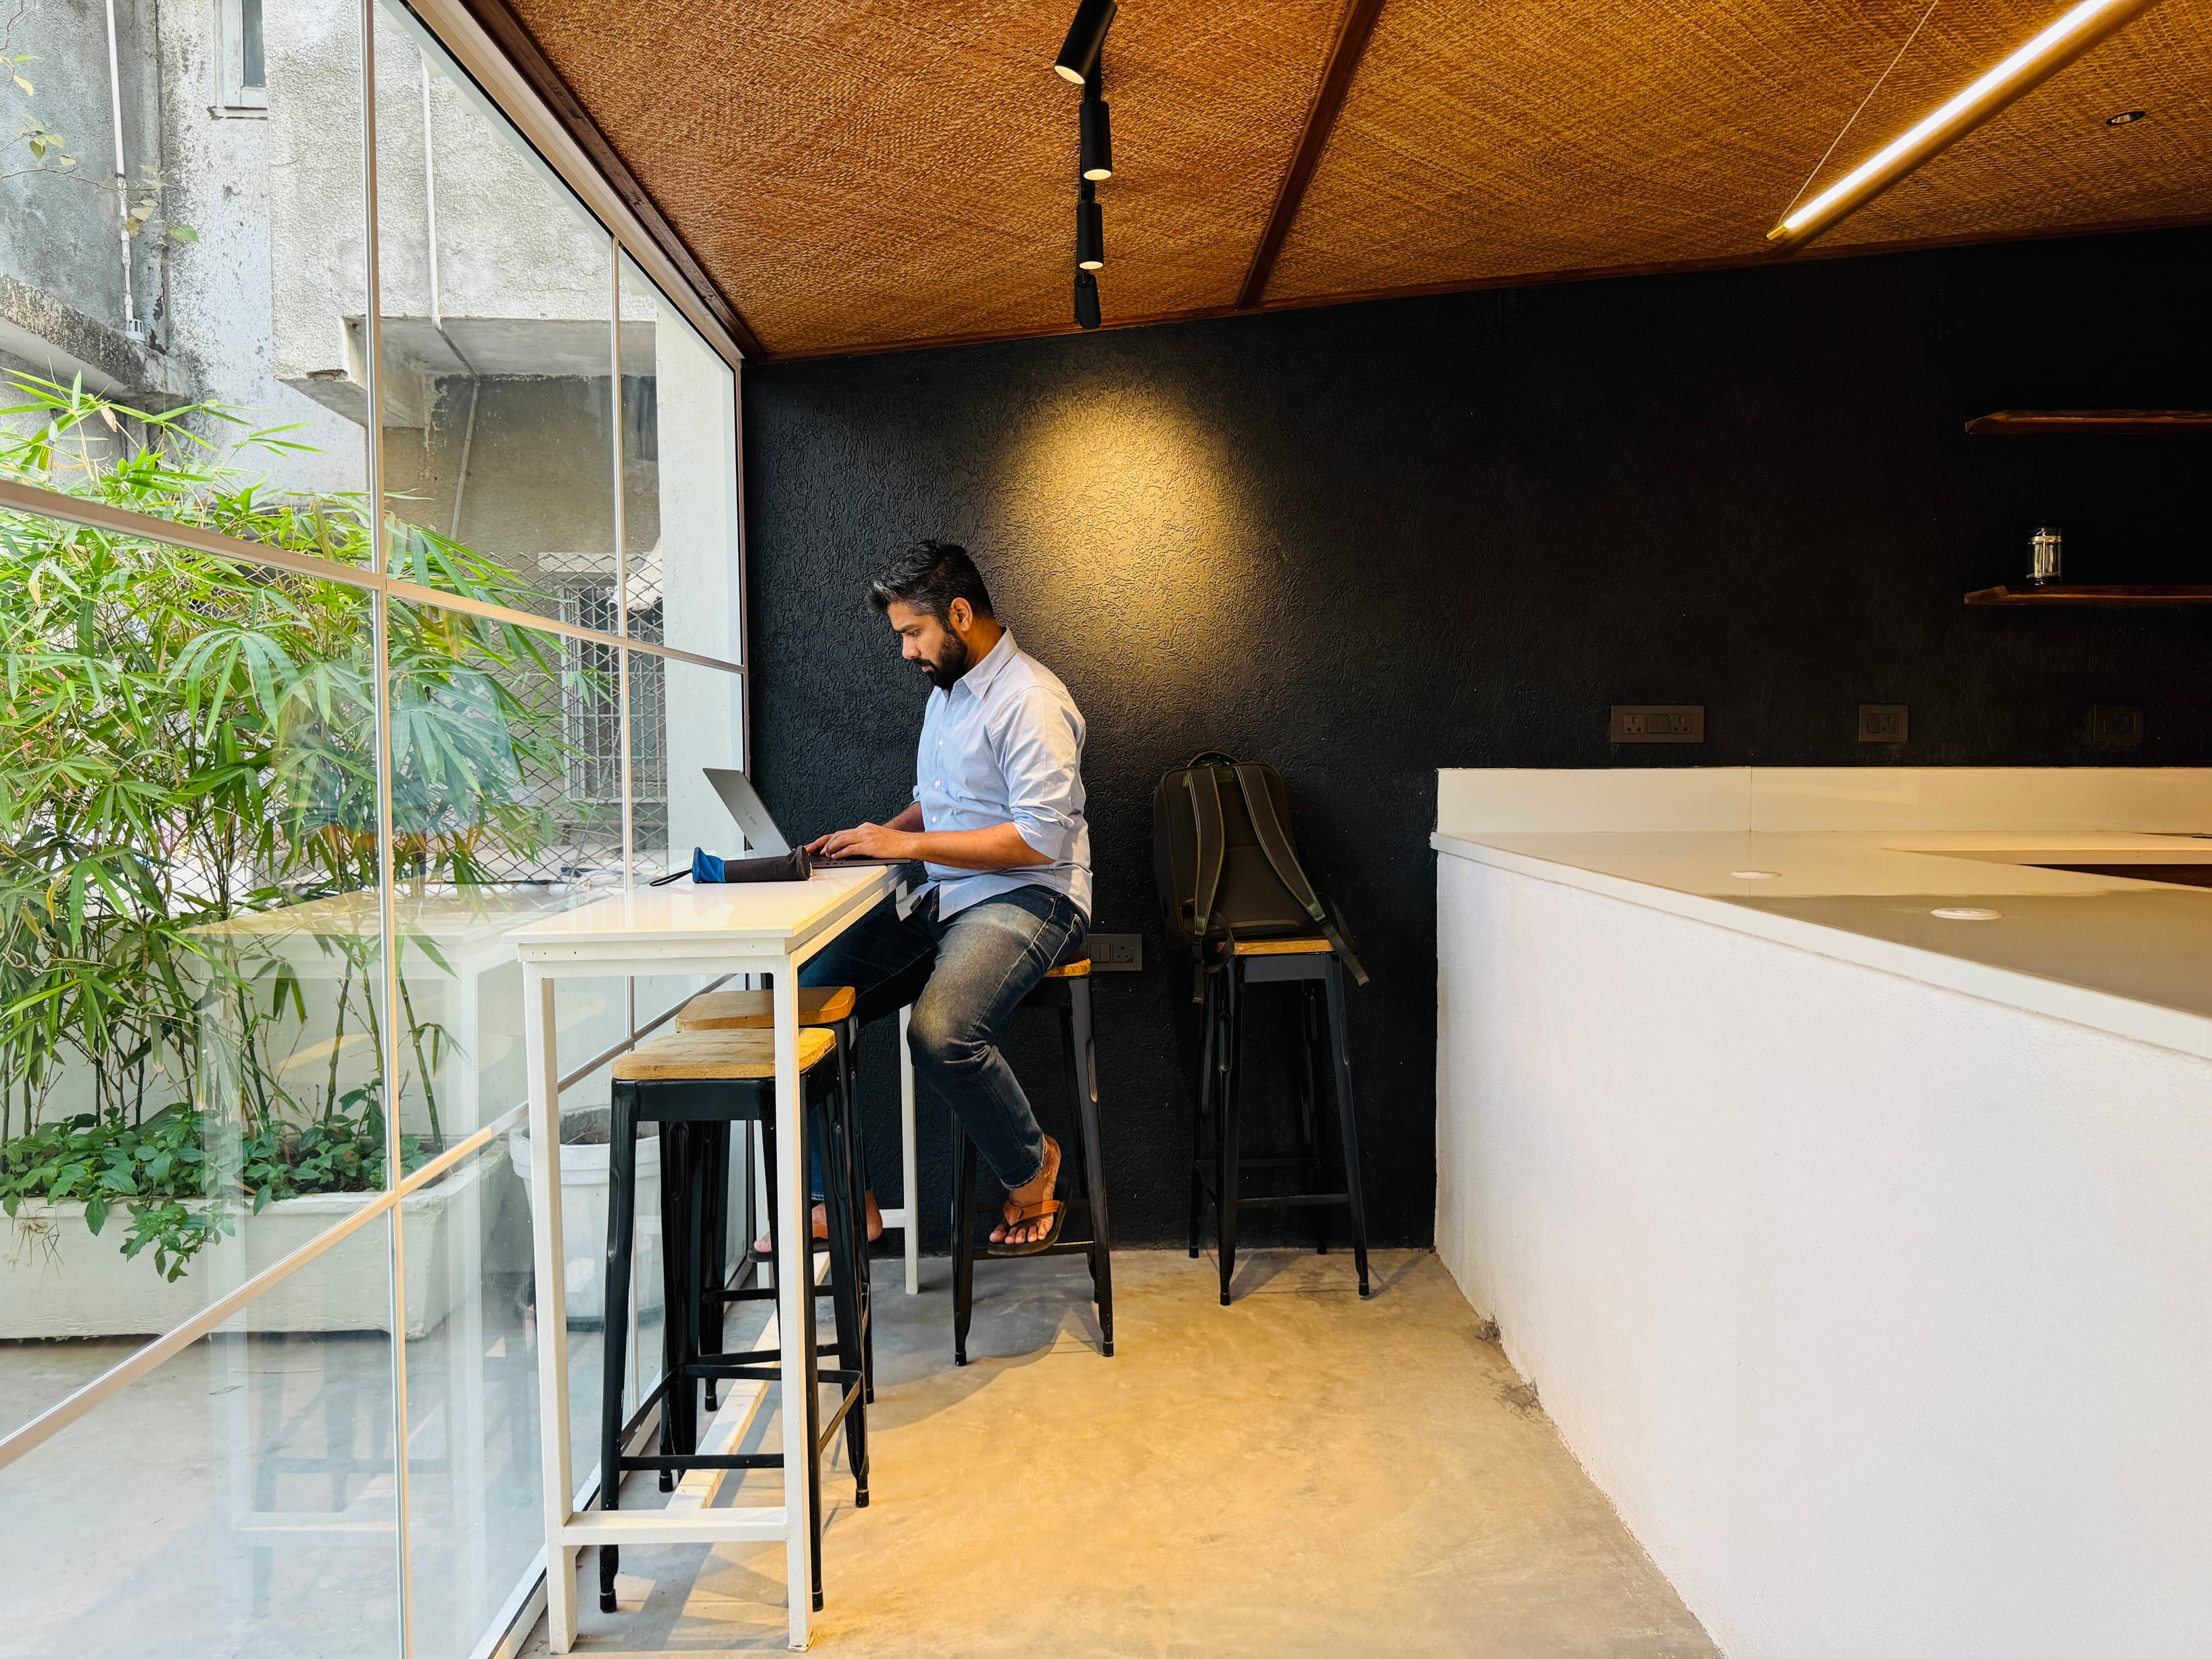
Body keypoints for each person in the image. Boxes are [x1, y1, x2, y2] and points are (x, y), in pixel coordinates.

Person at [801, 539, 1091, 1252]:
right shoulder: (948, 695)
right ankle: (841, 1198)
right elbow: (942, 805)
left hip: (1031, 896)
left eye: (911, 632)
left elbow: (1036, 841)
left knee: (940, 1035)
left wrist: (903, 848)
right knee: (800, 1003)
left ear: (958, 614)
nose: (904, 651)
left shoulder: (1032, 700)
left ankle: (1033, 1167)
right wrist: (871, 835)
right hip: (949, 895)